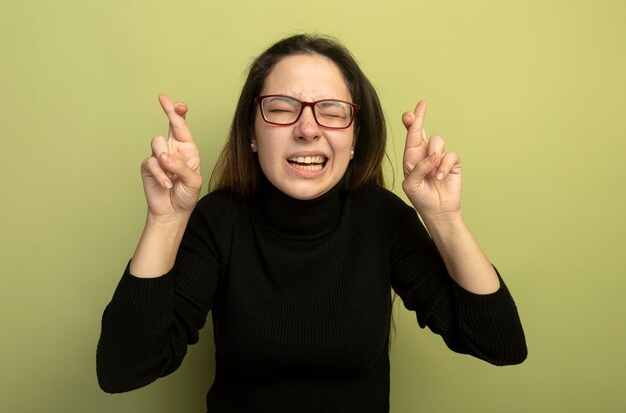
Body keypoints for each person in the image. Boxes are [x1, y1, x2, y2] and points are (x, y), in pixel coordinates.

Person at [97, 34, 527, 413]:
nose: (308, 129)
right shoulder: (219, 220)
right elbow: (123, 369)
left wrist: (443, 217)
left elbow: (499, 343)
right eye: (282, 109)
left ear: (355, 137)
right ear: (251, 133)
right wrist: (166, 219)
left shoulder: (382, 218)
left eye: (332, 111)